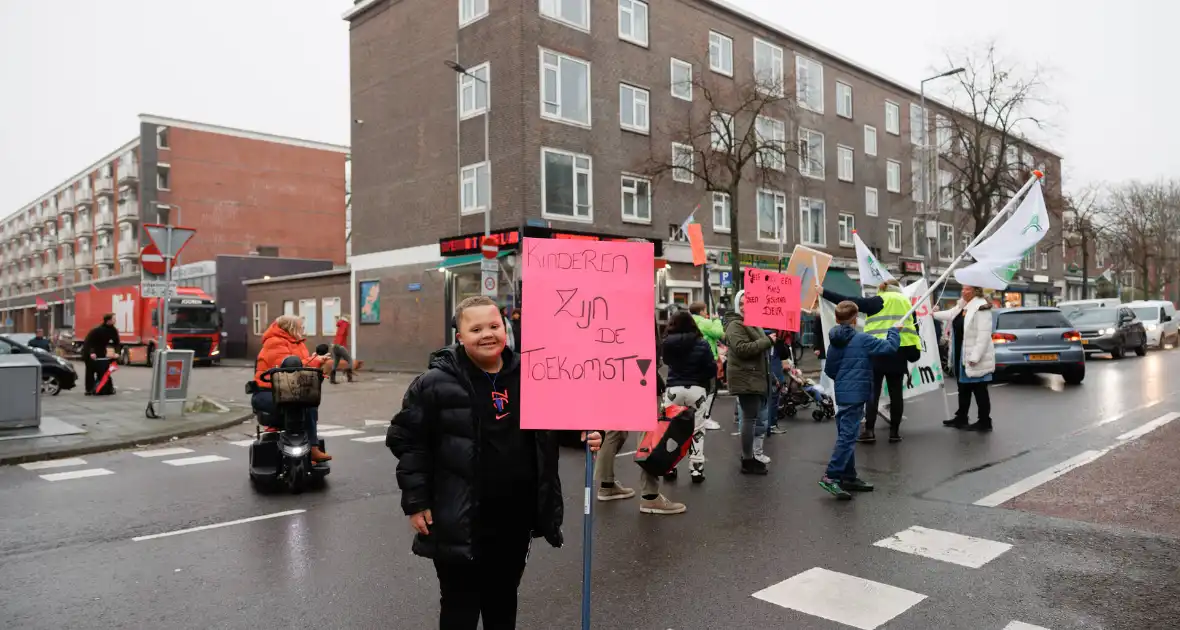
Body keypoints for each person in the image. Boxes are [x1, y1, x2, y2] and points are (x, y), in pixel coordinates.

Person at [388, 296, 602, 629]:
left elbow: (556, 425)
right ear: (459, 335)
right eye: (475, 329)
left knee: (503, 600)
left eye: (494, 325)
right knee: (460, 605)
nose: (487, 334)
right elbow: (408, 441)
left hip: (515, 517)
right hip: (459, 517)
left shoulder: (534, 375)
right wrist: (416, 502)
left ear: (506, 328)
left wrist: (584, 435)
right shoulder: (434, 383)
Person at [819, 301, 901, 500]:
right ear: (855, 319)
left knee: (846, 434)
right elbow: (890, 347)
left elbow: (830, 370)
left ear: (837, 319)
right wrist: (894, 331)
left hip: (842, 393)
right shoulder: (862, 339)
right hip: (857, 393)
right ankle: (831, 476)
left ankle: (849, 476)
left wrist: (845, 378)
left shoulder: (835, 341)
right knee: (847, 437)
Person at [822, 279, 921, 443]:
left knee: (872, 393)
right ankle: (894, 432)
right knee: (896, 394)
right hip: (899, 351)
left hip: (877, 350)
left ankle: (869, 431)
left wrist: (824, 292)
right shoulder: (907, 303)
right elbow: (914, 329)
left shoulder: (878, 301)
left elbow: (848, 302)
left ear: (882, 288)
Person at [252, 315, 332, 462]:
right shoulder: (274, 342)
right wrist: (314, 362)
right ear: (291, 328)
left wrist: (317, 362)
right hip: (269, 391)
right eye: (301, 326)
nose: (303, 329)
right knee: (295, 405)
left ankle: (313, 447)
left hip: (289, 389)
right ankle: (307, 447)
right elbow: (287, 367)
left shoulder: (297, 343)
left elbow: (302, 366)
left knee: (309, 404)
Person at [662, 310, 718, 483]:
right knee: (697, 430)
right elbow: (711, 369)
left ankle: (669, 467)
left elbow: (666, 362)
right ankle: (696, 470)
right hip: (696, 390)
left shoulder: (667, 343)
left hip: (673, 390)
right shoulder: (701, 343)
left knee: (670, 430)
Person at [723, 290, 774, 475]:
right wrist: (767, 341)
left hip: (754, 376)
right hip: (746, 378)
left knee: (752, 419)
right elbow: (742, 349)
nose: (746, 306)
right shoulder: (735, 324)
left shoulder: (751, 322)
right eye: (742, 303)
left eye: (750, 302)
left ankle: (749, 457)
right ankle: (747, 460)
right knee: (749, 419)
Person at [934, 286, 996, 432]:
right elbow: (950, 314)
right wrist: (933, 314)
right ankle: (961, 417)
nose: (963, 292)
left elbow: (984, 335)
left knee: (980, 389)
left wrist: (975, 356)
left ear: (975, 291)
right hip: (962, 353)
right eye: (962, 289)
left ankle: (985, 421)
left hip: (973, 355)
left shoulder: (981, 307)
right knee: (963, 388)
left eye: (967, 290)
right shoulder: (963, 306)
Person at [688, 301, 724, 431]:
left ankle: (696, 417)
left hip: (691, 360)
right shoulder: (704, 322)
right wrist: (716, 320)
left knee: (697, 388)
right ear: (702, 311)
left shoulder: (689, 322)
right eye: (705, 310)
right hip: (708, 359)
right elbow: (719, 333)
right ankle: (705, 417)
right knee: (711, 389)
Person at [81, 314, 120, 395]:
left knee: (104, 371)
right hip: (90, 352)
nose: (115, 320)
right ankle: (89, 389)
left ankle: (106, 388)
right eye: (113, 319)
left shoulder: (113, 330)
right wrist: (91, 352)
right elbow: (89, 342)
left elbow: (117, 343)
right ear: (108, 320)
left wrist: (117, 352)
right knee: (90, 372)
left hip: (101, 353)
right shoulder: (97, 330)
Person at [330, 314, 355, 384]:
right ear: (348, 319)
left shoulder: (340, 323)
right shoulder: (345, 324)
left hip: (335, 346)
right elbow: (341, 333)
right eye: (350, 319)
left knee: (335, 362)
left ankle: (332, 380)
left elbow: (339, 334)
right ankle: (348, 374)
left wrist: (335, 344)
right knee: (350, 360)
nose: (351, 320)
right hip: (340, 346)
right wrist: (338, 343)